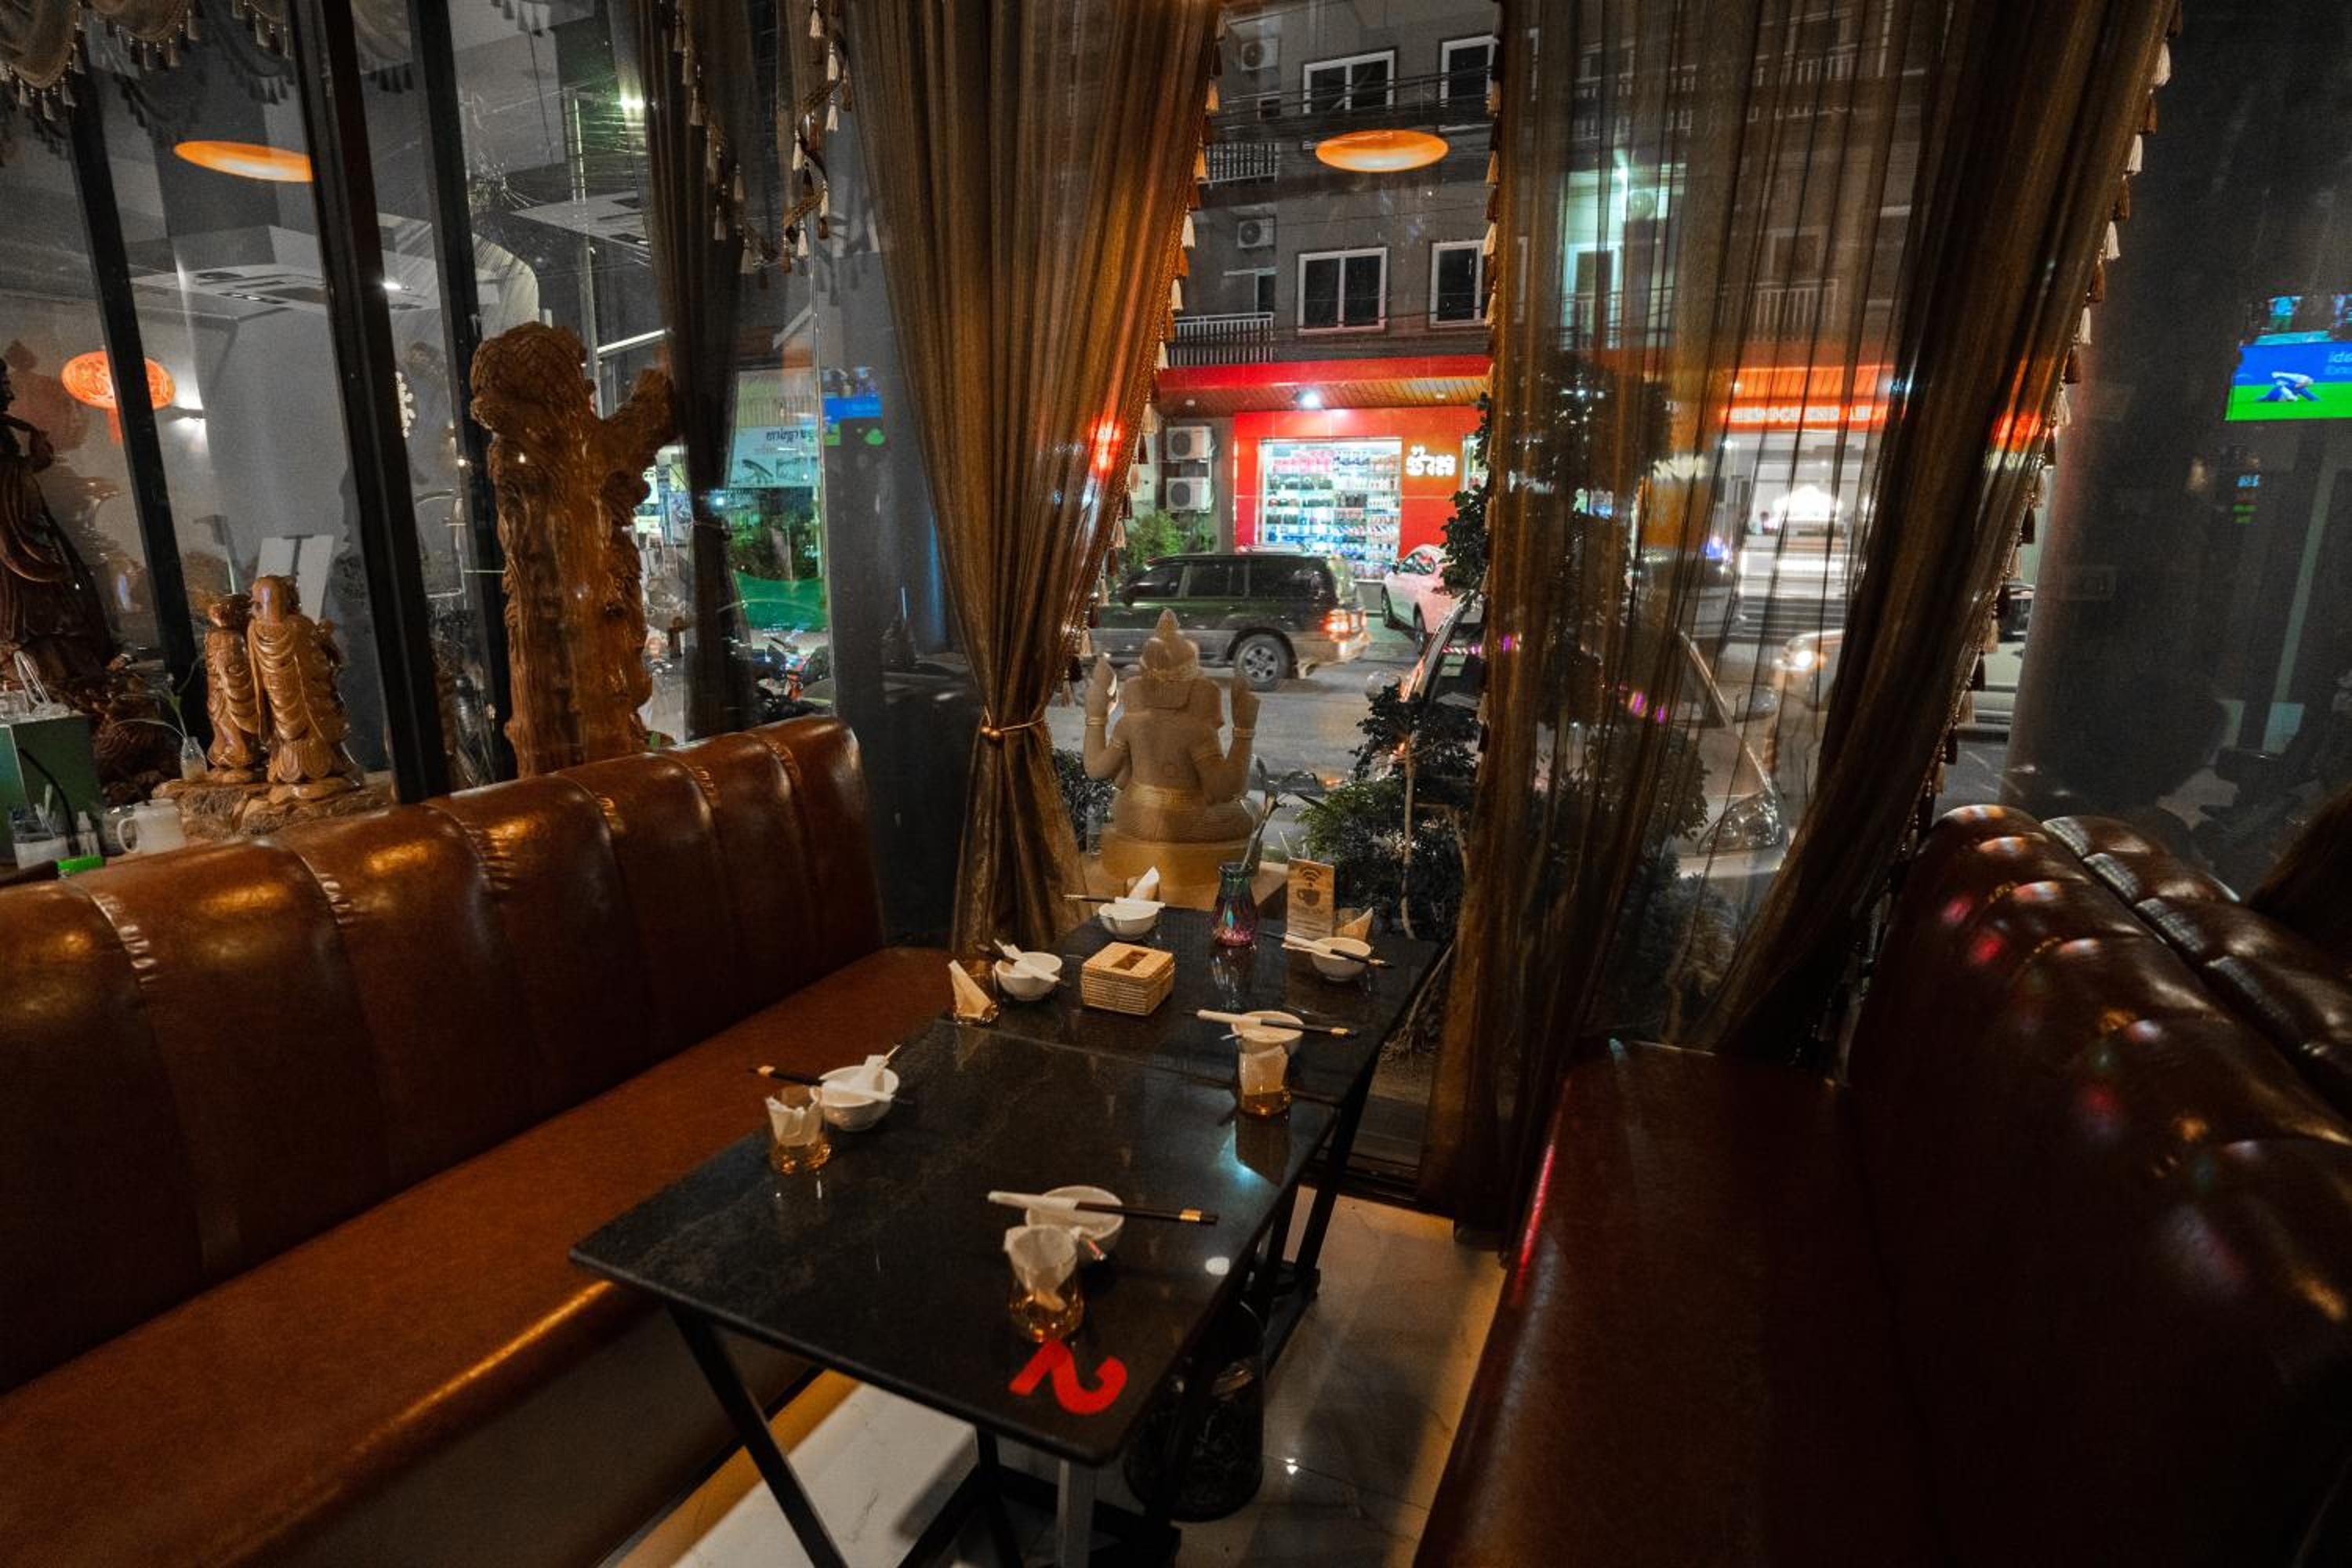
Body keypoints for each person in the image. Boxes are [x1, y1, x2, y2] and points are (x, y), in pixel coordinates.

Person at [0, 359, 114, 692]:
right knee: (23, 612)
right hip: (11, 546)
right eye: (4, 386)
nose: (10, 394)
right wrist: (27, 467)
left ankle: (66, 672)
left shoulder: (8, 427)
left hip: (26, 528)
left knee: (56, 610)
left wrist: (31, 465)